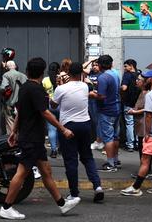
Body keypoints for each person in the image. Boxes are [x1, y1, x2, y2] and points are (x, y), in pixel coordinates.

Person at [0, 57, 78, 220]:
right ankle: (6, 207)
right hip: (32, 138)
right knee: (21, 173)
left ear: (27, 71)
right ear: (42, 73)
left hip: (32, 138)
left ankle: (62, 204)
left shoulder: (26, 87)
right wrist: (63, 129)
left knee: (46, 172)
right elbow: (45, 112)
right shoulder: (36, 89)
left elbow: (20, 111)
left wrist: (13, 131)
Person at [51, 61, 103, 203]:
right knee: (87, 157)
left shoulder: (61, 89)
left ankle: (74, 193)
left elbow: (53, 105)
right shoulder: (85, 87)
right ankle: (97, 186)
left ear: (68, 73)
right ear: (81, 73)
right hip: (85, 124)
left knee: (71, 160)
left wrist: (59, 86)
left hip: (68, 126)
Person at [120, 76, 152, 197]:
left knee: (145, 161)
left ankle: (136, 188)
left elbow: (148, 116)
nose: (143, 80)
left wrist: (147, 133)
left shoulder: (150, 95)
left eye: (146, 78)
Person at [90, 55, 121, 171]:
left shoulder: (103, 77)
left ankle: (110, 164)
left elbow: (101, 96)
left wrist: (91, 94)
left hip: (107, 110)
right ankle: (116, 160)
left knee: (108, 138)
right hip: (116, 107)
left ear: (100, 65)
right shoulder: (115, 74)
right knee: (115, 136)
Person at [0, 61, 27, 135]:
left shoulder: (6, 75)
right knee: (21, 124)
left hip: (10, 103)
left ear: (7, 67)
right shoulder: (23, 76)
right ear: (15, 66)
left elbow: (3, 88)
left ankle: (12, 143)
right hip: (22, 104)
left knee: (10, 124)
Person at [120, 59, 138, 152]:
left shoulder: (127, 75)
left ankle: (130, 144)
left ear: (131, 66)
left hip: (128, 102)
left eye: (126, 66)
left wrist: (119, 87)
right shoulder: (139, 74)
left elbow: (124, 88)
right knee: (137, 122)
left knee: (129, 123)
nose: (124, 68)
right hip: (138, 103)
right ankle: (138, 143)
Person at [43, 62, 61, 158]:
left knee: (51, 128)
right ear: (58, 70)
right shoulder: (61, 78)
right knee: (61, 127)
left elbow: (42, 92)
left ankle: (53, 150)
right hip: (61, 105)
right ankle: (61, 147)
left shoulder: (45, 80)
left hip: (50, 105)